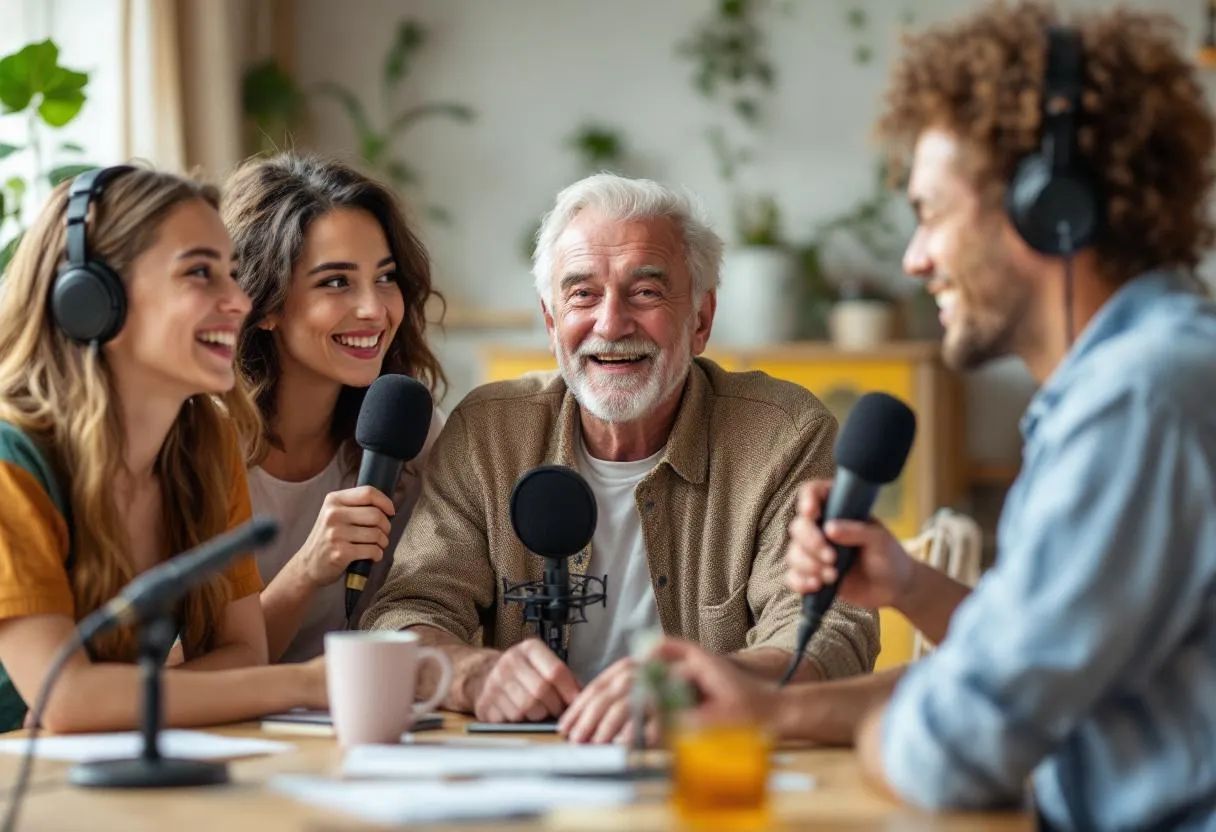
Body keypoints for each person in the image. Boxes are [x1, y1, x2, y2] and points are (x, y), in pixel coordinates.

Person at [657, 2, 1216, 827]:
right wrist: (907, 590)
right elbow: (1026, 666)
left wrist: (879, 726)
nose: (914, 259)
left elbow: (955, 748)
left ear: (1044, 205)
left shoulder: (1136, 403)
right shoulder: (1150, 377)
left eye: (929, 212)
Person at [363, 173, 878, 743]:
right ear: (552, 320)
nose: (610, 323)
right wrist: (473, 674)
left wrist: (691, 683)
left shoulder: (784, 436)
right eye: (582, 293)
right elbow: (406, 610)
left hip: (702, 771)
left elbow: (828, 630)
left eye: (646, 292)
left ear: (701, 319)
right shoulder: (488, 432)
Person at [0, 166, 327, 733]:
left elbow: (244, 654)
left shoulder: (206, 442)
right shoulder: (13, 460)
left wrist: (112, 701)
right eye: (200, 273)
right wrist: (307, 684)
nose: (239, 301)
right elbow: (69, 700)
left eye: (230, 272)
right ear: (92, 299)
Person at [224, 154, 446, 663]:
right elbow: (183, 669)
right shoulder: (204, 444)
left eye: (385, 278)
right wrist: (308, 568)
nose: (375, 309)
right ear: (267, 305)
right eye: (336, 282)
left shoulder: (408, 432)